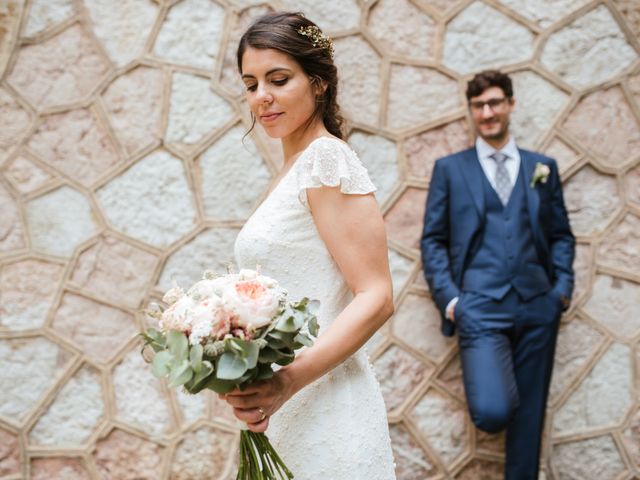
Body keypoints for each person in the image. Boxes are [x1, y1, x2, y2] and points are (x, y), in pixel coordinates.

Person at [222, 11, 396, 479]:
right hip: (287, 407)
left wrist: (288, 380)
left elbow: (377, 296)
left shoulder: (326, 160)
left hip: (327, 405)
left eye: (279, 79)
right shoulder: (295, 168)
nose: (262, 97)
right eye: (251, 83)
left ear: (318, 82)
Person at [421, 70, 575, 479]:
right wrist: (452, 302)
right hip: (480, 309)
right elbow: (433, 240)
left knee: (530, 421)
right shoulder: (450, 170)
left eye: (494, 103)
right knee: (492, 411)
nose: (487, 113)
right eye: (478, 106)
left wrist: (560, 290)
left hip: (538, 306)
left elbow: (561, 234)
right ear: (471, 111)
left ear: (510, 104)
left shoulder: (543, 168)